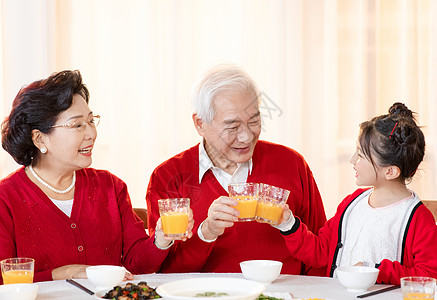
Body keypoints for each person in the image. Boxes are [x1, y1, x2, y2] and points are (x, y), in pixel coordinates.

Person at [0, 70, 193, 283]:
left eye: (91, 121)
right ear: (39, 139)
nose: (91, 133)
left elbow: (137, 265)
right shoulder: (5, 198)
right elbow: (4, 282)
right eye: (77, 125)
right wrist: (64, 274)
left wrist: (162, 238)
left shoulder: (110, 186)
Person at [146, 64, 327, 274]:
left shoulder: (292, 164)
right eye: (232, 127)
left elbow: (319, 256)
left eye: (254, 121)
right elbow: (166, 272)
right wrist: (206, 232)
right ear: (199, 124)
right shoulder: (169, 177)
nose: (246, 137)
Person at [277, 102, 437, 284]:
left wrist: (377, 271)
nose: (352, 160)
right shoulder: (352, 204)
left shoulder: (417, 218)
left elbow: (435, 277)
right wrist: (288, 224)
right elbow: (320, 252)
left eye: (360, 155)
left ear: (390, 171)